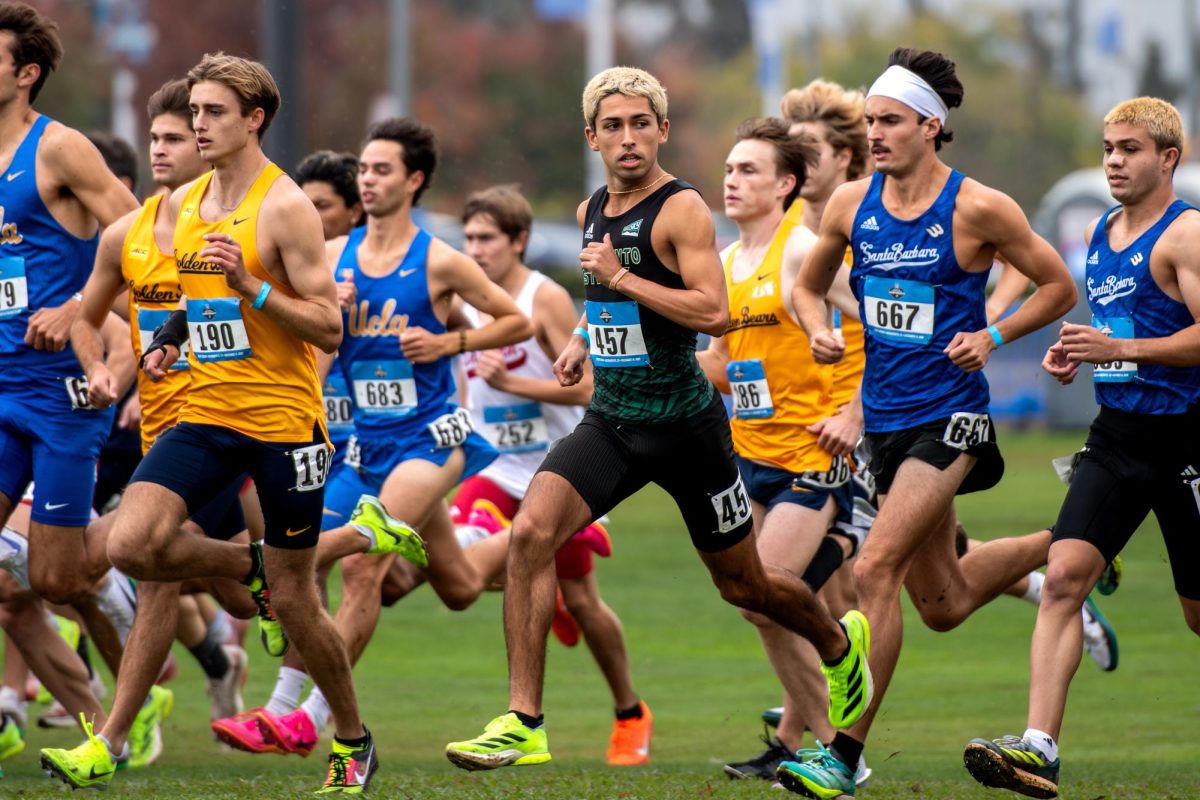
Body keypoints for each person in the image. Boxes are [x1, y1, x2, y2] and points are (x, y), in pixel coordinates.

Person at [446, 66, 871, 772]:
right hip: (613, 422)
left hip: (687, 430)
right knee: (531, 534)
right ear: (592, 137)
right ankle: (524, 721)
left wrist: (620, 277)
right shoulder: (591, 212)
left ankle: (836, 645)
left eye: (641, 123)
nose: (628, 138)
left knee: (746, 585)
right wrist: (584, 338)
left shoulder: (683, 209)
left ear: (662, 130)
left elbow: (714, 311)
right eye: (612, 126)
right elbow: (604, 296)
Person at [38, 52, 376, 794]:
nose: (198, 125)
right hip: (205, 415)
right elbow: (199, 306)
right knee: (130, 545)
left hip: (285, 424)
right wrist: (160, 346)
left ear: (254, 120)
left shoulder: (283, 205)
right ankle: (249, 572)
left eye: (213, 112)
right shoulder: (190, 205)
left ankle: (351, 737)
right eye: (194, 112)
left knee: (295, 602)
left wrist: (252, 285)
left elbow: (326, 327)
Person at [779, 48, 1077, 798]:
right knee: (943, 603)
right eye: (871, 121)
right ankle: (1076, 545)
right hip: (885, 422)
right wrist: (818, 327)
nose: (875, 133)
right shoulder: (851, 204)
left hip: (952, 419)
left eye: (890, 121)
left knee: (873, 568)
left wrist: (995, 335)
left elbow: (1058, 285)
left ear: (931, 126)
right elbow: (807, 290)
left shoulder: (979, 207)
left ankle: (841, 758)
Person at [213, 117, 531, 759]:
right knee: (460, 586)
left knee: (362, 564)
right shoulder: (334, 257)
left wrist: (451, 341)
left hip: (432, 438)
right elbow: (307, 342)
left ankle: (299, 715)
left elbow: (515, 319)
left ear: (414, 181)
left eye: (383, 169)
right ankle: (534, 536)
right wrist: (325, 307)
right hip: (363, 441)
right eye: (364, 168)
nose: (370, 178)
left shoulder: (439, 259)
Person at [964, 96, 1200, 799]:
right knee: (1065, 577)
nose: (1114, 161)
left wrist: (1118, 346)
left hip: (1187, 441)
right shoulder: (1101, 230)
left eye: (1130, 149)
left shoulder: (1185, 235)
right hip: (1118, 436)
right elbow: (1116, 333)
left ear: (1168, 159)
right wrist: (1083, 355)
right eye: (1107, 148)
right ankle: (1039, 748)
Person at [454, 184, 652, 765]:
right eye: (469, 238)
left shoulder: (545, 299)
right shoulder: (468, 305)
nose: (476, 249)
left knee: (587, 604)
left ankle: (629, 711)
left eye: (487, 238)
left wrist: (515, 384)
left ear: (518, 241)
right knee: (466, 566)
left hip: (557, 469)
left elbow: (590, 385)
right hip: (495, 467)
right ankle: (537, 596)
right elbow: (470, 386)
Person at [696, 116, 869, 783]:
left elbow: (883, 331)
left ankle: (835, 752)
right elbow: (719, 361)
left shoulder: (801, 252)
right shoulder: (723, 262)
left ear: (787, 184)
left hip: (813, 453)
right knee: (754, 601)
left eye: (749, 171)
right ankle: (829, 742)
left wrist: (853, 414)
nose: (732, 181)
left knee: (767, 587)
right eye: (730, 169)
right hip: (752, 456)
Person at [0, 2, 138, 616]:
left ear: (25, 73)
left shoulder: (60, 150)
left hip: (63, 389)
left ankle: (152, 545)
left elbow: (145, 242)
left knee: (59, 579)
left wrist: (78, 307)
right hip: (3, 379)